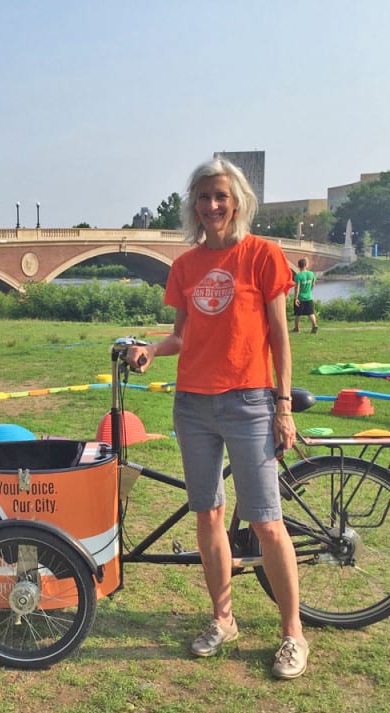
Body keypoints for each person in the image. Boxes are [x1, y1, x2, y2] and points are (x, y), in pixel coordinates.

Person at [126, 157, 309, 680]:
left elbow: (279, 336)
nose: (212, 206)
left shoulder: (262, 256)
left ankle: (293, 633)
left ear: (238, 202)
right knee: (206, 514)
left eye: (221, 197)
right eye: (203, 198)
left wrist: (282, 405)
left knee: (265, 521)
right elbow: (183, 335)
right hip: (193, 404)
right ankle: (223, 619)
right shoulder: (185, 267)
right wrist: (151, 349)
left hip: (249, 401)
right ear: (195, 205)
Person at [292, 258, 318, 333]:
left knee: (297, 314)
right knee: (310, 313)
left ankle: (296, 329)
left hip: (300, 298)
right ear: (305, 265)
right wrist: (309, 291)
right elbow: (313, 284)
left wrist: (296, 298)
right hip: (309, 297)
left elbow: (297, 288)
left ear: (298, 266)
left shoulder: (298, 276)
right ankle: (314, 325)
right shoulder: (311, 274)